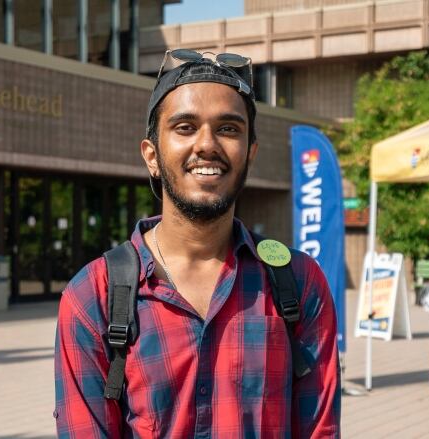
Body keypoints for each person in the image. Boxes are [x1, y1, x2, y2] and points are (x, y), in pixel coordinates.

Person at [54, 51, 340, 437]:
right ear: (152, 156)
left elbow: (320, 430)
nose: (207, 144)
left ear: (250, 154)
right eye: (185, 127)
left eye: (229, 129)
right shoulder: (94, 297)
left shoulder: (299, 283)